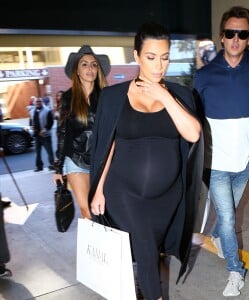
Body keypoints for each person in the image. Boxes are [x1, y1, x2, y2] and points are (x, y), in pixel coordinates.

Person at [89, 22, 202, 300]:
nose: (158, 65)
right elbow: (107, 144)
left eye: (164, 57)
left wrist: (163, 94)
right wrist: (99, 188)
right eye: (151, 57)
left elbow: (193, 133)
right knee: (147, 251)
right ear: (137, 55)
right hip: (124, 191)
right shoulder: (113, 96)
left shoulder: (181, 94)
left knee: (150, 250)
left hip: (167, 197)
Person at [193, 6, 249, 297]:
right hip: (216, 162)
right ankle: (235, 271)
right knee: (229, 217)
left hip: (245, 161)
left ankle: (216, 237)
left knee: (226, 217)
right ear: (221, 37)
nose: (235, 39)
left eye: (242, 34)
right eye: (230, 33)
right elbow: (193, 117)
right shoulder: (204, 76)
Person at [53, 45, 110, 219]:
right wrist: (58, 167)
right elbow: (63, 133)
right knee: (87, 210)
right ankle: (95, 246)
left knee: (104, 209)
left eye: (94, 64)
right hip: (75, 160)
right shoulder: (68, 98)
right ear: (77, 70)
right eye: (84, 64)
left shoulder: (107, 96)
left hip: (101, 160)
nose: (90, 68)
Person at [29, 97, 55, 172]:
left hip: (45, 135)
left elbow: (51, 122)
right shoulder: (32, 111)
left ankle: (52, 165)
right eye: (37, 102)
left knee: (49, 151)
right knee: (37, 152)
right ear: (34, 103)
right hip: (36, 135)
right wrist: (31, 126)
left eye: (39, 101)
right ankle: (39, 167)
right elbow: (31, 121)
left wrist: (45, 129)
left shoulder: (47, 110)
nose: (38, 103)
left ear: (42, 102)